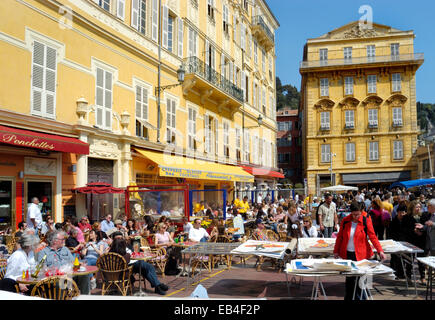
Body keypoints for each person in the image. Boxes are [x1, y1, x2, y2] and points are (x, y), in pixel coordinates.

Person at [334, 201, 386, 300]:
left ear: (361, 212)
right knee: (349, 281)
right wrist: (336, 251)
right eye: (353, 214)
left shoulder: (366, 220)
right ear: (350, 212)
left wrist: (380, 251)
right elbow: (340, 237)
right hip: (348, 254)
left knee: (361, 281)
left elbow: (373, 237)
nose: (355, 217)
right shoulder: (345, 220)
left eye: (358, 214)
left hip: (361, 255)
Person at [38, 230, 90, 294]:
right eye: (62, 239)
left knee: (85, 276)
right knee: (59, 284)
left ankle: (85, 297)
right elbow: (41, 268)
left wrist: (79, 263)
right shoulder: (43, 252)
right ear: (54, 241)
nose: (64, 241)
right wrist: (51, 270)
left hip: (70, 275)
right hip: (55, 278)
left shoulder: (65, 249)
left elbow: (73, 261)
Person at [389, 204, 415, 280]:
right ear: (397, 212)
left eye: (403, 212)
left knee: (408, 259)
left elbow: (411, 231)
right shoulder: (394, 221)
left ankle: (408, 274)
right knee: (395, 258)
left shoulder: (409, 219)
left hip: (407, 242)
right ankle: (397, 273)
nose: (402, 214)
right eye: (400, 212)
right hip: (396, 242)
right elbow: (390, 232)